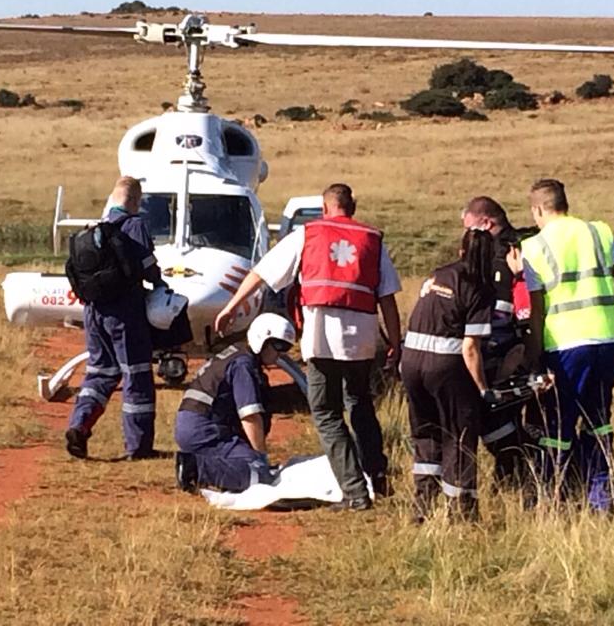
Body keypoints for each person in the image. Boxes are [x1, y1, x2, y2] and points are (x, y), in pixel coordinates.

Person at [214, 183, 402, 511]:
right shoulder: (373, 239)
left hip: (321, 338)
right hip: (361, 339)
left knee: (326, 412)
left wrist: (232, 307)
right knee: (360, 404)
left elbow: (262, 272)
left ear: (324, 207)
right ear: (352, 205)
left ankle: (355, 491)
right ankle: (378, 477)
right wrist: (395, 343)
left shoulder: (309, 234)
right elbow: (387, 298)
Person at [521, 178, 614, 511]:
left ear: (538, 209)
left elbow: (537, 308)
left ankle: (552, 499)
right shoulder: (599, 232)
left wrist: (533, 358)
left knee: (558, 425)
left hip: (565, 345)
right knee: (599, 419)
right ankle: (601, 500)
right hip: (607, 340)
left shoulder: (535, 247)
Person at [65, 176, 166, 460]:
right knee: (136, 375)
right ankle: (139, 447)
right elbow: (148, 268)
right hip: (125, 312)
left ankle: (79, 425)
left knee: (99, 373)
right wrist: (162, 289)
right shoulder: (135, 226)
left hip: (94, 312)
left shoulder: (96, 229)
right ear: (134, 201)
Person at [401, 228, 495, 522]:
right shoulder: (478, 287)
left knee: (426, 432)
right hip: (445, 365)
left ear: (460, 250)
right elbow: (470, 348)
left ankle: (423, 507)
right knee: (459, 434)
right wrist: (482, 389)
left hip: (411, 361)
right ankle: (462, 511)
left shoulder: (436, 276)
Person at [175, 313, 296, 492]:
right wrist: (260, 457)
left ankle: (204, 461)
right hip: (205, 429)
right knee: (257, 476)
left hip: (196, 424)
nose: (281, 353)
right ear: (261, 340)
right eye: (278, 345)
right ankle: (195, 469)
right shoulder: (243, 364)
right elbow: (250, 415)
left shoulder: (237, 353)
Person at [461, 196, 530, 484]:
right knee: (503, 418)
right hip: (507, 348)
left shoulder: (507, 254)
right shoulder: (521, 246)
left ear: (486, 223)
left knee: (496, 416)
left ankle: (516, 475)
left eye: (470, 229)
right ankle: (513, 478)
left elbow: (518, 307)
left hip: (506, 351)